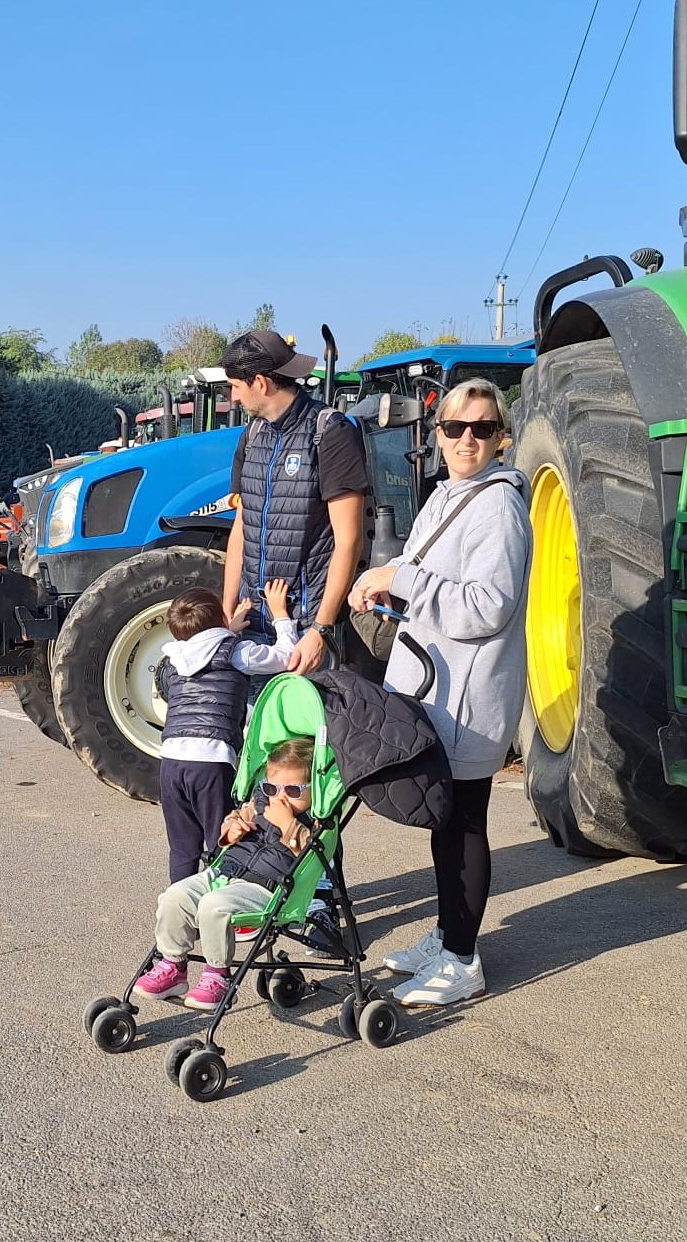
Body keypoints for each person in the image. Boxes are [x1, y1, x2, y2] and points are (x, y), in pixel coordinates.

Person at [348, 378, 532, 1007]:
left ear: (499, 437)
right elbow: (422, 580)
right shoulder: (448, 495)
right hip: (436, 686)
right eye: (455, 428)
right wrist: (388, 584)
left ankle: (462, 958)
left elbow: (489, 607)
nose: (467, 440)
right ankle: (451, 933)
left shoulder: (498, 506)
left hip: (469, 697)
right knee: (442, 820)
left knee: (464, 823)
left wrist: (401, 579)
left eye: (481, 428)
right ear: (439, 435)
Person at [219, 329, 368, 677]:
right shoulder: (253, 435)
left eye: (236, 387)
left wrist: (321, 629)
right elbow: (242, 526)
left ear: (260, 382)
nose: (234, 397)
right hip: (251, 620)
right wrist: (227, 612)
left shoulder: (330, 434)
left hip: (304, 630)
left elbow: (349, 541)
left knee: (299, 731)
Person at [134, 737, 317, 1010]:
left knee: (213, 906)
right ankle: (173, 964)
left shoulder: (312, 821)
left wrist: (288, 825)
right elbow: (234, 817)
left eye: (292, 790)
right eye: (271, 787)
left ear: (314, 790)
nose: (279, 797)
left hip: (265, 888)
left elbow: (311, 853)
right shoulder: (259, 804)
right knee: (176, 895)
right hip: (225, 872)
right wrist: (231, 829)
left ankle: (218, 976)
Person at [156, 580, 301, 884]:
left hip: (170, 760)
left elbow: (203, 652)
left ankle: (179, 910)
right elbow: (287, 656)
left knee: (182, 849)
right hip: (211, 760)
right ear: (221, 620)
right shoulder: (238, 651)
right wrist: (280, 615)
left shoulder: (173, 658)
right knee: (222, 838)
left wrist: (227, 629)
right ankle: (221, 904)